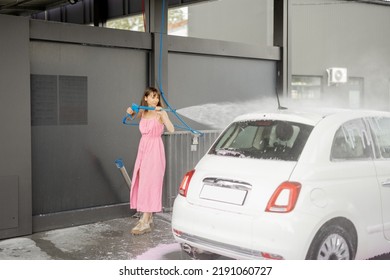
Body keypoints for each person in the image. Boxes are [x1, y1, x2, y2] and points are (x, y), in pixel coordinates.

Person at [126, 87, 174, 235]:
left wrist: (164, 117)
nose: (155, 100)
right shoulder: (143, 111)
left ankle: (145, 220)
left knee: (150, 182)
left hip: (155, 149)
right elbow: (129, 119)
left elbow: (171, 130)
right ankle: (148, 216)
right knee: (142, 181)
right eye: (152, 97)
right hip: (143, 148)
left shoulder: (161, 113)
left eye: (157, 97)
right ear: (145, 98)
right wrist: (130, 112)